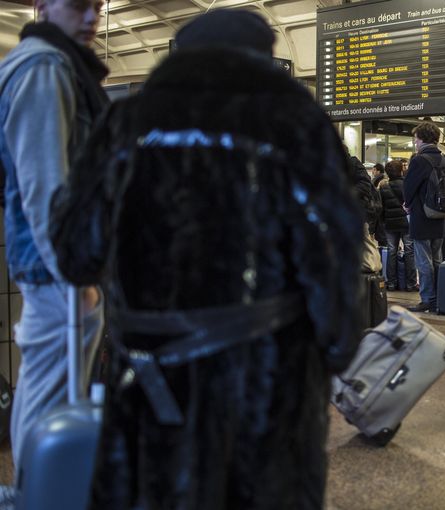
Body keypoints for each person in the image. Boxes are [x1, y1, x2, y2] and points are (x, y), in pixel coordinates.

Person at [49, 10, 364, 508]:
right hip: (266, 378)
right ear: (263, 55)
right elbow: (331, 250)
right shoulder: (295, 120)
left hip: (149, 381)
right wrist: (338, 346)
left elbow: (74, 252)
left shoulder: (125, 122)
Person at [0, 0, 107, 467]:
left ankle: (34, 491)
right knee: (50, 399)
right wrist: (72, 275)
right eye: (79, 5)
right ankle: (38, 493)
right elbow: (45, 186)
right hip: (53, 266)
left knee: (42, 387)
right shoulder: (45, 67)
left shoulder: (45, 63)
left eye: (97, 6)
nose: (91, 18)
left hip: (49, 260)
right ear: (43, 6)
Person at [404, 121, 445, 313]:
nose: (415, 142)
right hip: (440, 214)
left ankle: (427, 298)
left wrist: (407, 204)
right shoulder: (444, 159)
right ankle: (440, 297)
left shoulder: (419, 160)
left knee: (423, 260)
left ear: (421, 139)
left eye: (416, 139)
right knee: (437, 258)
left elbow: (409, 187)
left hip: (422, 215)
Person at [380, 160, 417, 291]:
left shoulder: (383, 187)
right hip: (407, 223)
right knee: (409, 251)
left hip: (390, 224)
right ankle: (411, 283)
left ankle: (391, 283)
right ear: (401, 171)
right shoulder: (407, 185)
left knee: (391, 252)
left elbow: (381, 208)